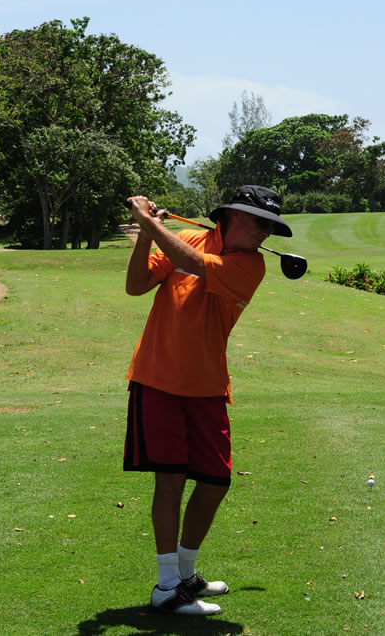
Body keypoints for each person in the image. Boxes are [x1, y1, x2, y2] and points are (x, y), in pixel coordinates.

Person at [123, 185, 292, 615]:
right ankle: (167, 585)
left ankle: (185, 574)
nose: (266, 235)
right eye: (261, 223)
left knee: (216, 481)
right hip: (158, 378)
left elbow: (191, 263)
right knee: (171, 480)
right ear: (234, 216)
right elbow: (136, 285)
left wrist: (147, 222)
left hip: (207, 386)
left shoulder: (249, 265)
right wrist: (148, 233)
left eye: (272, 228)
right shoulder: (191, 238)